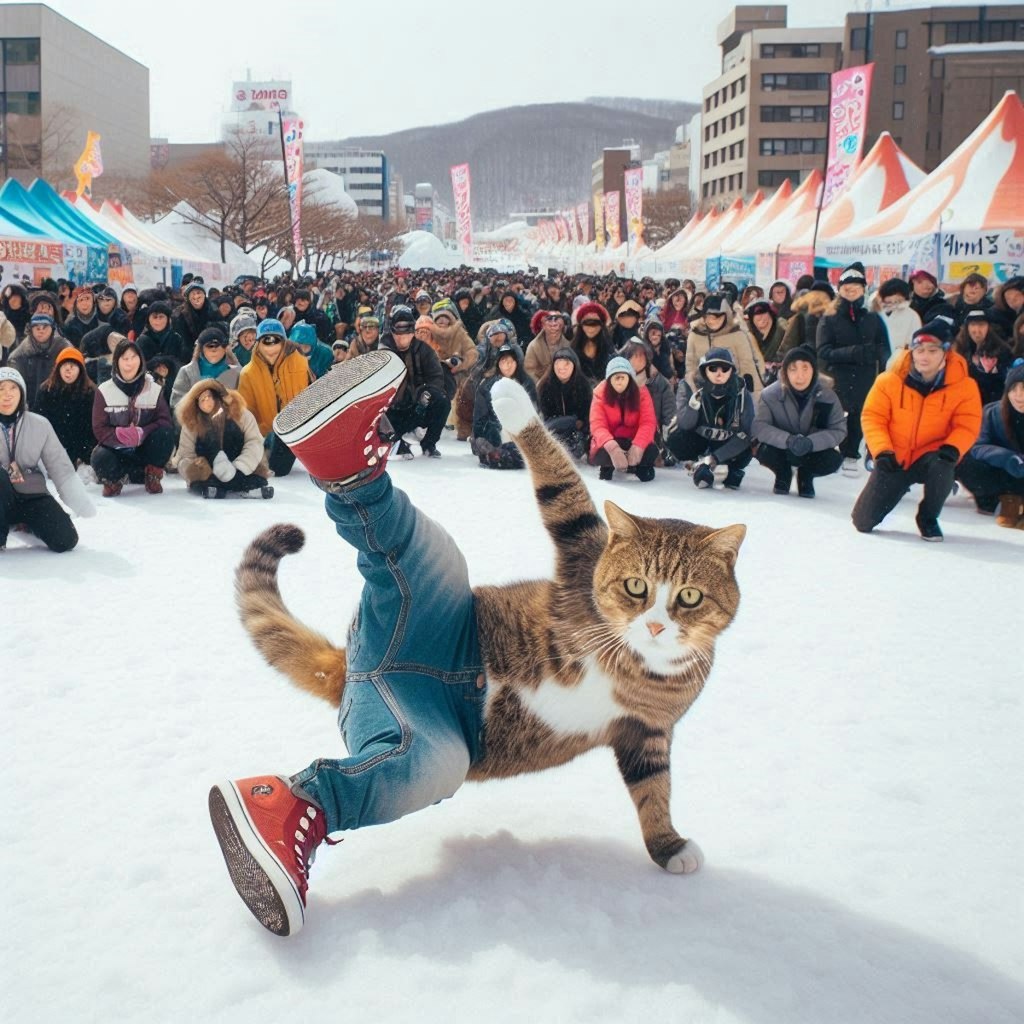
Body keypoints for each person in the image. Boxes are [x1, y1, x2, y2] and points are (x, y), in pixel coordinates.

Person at [852, 319, 983, 541]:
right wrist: (882, 451)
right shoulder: (888, 380)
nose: (924, 356)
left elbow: (967, 423)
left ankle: (928, 517)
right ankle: (896, 486)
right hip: (895, 457)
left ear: (946, 353)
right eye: (919, 350)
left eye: (932, 350)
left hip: (932, 455)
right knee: (862, 522)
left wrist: (953, 448)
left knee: (944, 466)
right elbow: (873, 417)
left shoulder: (964, 386)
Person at [0, 366, 94, 552]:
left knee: (66, 540)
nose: (7, 395)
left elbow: (60, 466)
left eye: (13, 388)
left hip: (31, 494)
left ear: (22, 393)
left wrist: (81, 504)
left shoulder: (39, 424)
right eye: (1, 389)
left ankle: (27, 523)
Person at [816, 262, 891, 473]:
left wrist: (881, 366)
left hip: (865, 376)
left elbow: (884, 347)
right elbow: (823, 350)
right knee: (832, 413)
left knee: (859, 416)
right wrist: (854, 352)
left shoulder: (873, 316)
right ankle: (826, 450)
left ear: (863, 289)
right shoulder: (829, 317)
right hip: (836, 375)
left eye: (855, 288)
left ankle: (850, 453)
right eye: (846, 288)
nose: (851, 292)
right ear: (839, 290)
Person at [752, 346, 846, 497]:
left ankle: (806, 475)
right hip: (781, 448)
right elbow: (760, 426)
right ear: (785, 372)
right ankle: (783, 473)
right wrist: (788, 440)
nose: (799, 376)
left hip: (811, 450)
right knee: (762, 450)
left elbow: (838, 429)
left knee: (833, 459)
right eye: (793, 369)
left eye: (805, 368)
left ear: (814, 371)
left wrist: (811, 442)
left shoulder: (828, 396)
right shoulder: (770, 395)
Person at [90, 337, 175, 497]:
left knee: (165, 435)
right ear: (117, 362)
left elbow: (164, 421)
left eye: (133, 357)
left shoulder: (153, 388)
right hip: (117, 450)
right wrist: (119, 435)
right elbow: (99, 427)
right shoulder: (104, 390)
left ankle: (152, 475)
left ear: (141, 360)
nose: (129, 363)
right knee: (99, 457)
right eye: (125, 358)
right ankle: (114, 480)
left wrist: (142, 432)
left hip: (144, 449)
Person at [668, 347, 754, 490]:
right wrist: (694, 403)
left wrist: (714, 458)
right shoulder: (690, 385)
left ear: (732, 371)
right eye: (713, 368)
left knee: (745, 453)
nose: (719, 374)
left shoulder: (741, 392)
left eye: (725, 368)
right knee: (676, 439)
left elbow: (747, 434)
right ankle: (700, 466)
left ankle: (723, 468)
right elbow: (685, 424)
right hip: (699, 442)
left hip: (726, 444)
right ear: (704, 370)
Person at [236, 318, 312, 477]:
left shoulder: (300, 363)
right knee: (277, 465)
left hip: (298, 435)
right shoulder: (248, 373)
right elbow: (246, 414)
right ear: (258, 344)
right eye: (266, 342)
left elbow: (310, 401)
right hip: (265, 439)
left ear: (283, 343)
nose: (271, 349)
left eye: (276, 342)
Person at [175, 378, 273, 498]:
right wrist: (199, 472)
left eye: (209, 397)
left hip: (240, 465)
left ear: (217, 396)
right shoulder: (192, 422)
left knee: (254, 473)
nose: (206, 402)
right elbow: (186, 454)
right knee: (202, 480)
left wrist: (240, 467)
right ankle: (226, 486)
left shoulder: (240, 414)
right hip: (209, 470)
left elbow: (254, 443)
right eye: (202, 400)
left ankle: (239, 484)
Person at [955, 359, 1024, 524]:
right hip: (1002, 472)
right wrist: (1008, 457)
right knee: (964, 460)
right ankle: (999, 499)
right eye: (1013, 389)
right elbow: (977, 446)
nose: (1019, 396)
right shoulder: (992, 412)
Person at [380, 305, 449, 459]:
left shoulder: (424, 350)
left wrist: (425, 393)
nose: (402, 337)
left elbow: (436, 377)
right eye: (399, 333)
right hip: (390, 410)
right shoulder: (383, 352)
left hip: (417, 405)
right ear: (392, 332)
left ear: (412, 333)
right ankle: (396, 441)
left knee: (442, 401)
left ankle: (429, 444)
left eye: (407, 333)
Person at [588, 356, 658, 482]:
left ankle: (636, 465)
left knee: (651, 452)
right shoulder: (599, 394)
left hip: (633, 439)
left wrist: (638, 446)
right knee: (600, 454)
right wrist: (613, 448)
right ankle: (609, 466)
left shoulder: (641, 392)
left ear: (630, 378)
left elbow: (648, 422)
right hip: (612, 440)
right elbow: (597, 425)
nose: (619, 381)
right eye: (616, 377)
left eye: (623, 377)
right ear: (609, 380)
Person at [471, 340, 537, 469]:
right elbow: (480, 417)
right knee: (486, 442)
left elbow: (533, 413)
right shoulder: (487, 385)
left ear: (517, 363)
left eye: (511, 361)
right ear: (498, 364)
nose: (507, 366)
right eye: (503, 362)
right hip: (493, 430)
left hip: (519, 431)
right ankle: (495, 454)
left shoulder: (527, 383)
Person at [684, 293, 765, 397]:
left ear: (726, 315)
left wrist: (753, 399)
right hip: (704, 393)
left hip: (733, 393)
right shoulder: (695, 335)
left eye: (718, 317)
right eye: (710, 317)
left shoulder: (737, 335)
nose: (713, 321)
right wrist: (693, 391)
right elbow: (690, 366)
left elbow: (748, 368)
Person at [32, 347, 97, 467]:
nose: (68, 371)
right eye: (64, 366)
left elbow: (93, 427)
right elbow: (38, 424)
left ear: (80, 370)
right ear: (58, 369)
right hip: (54, 447)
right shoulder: (46, 390)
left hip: (83, 448)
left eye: (72, 366)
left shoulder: (91, 392)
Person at [620, 338, 676, 466]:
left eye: (642, 355)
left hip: (651, 436)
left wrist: (667, 441)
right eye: (634, 356)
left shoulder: (659, 383)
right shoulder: (617, 380)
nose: (638, 359)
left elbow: (670, 415)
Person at [536, 347, 592, 461]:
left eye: (566, 364)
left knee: (576, 448)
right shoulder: (545, 386)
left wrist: (581, 425)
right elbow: (547, 416)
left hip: (577, 431)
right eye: (558, 364)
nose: (562, 368)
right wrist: (571, 421)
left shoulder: (583, 386)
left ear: (574, 365)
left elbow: (586, 415)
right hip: (555, 427)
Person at [170, 326, 242, 409]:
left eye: (218, 346)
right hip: (194, 420)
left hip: (229, 419)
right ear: (201, 349)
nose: (213, 350)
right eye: (209, 346)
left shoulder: (238, 374)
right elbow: (176, 404)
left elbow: (244, 405)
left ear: (225, 349)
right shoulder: (187, 372)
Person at [954, 309, 1011, 406]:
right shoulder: (959, 350)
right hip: (965, 402)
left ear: (989, 327)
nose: (977, 330)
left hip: (992, 405)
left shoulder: (1002, 351)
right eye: (972, 325)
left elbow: (1007, 381)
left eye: (981, 325)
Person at [8, 313, 70, 401]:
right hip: (30, 404)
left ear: (52, 329)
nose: (41, 331)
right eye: (37, 328)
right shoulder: (18, 356)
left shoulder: (65, 350)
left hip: (60, 402)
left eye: (45, 327)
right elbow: (15, 386)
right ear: (31, 330)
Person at [874, 278, 921, 366]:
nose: (894, 302)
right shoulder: (877, 312)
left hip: (900, 362)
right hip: (877, 361)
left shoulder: (912, 315)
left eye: (899, 299)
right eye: (891, 296)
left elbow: (916, 342)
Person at [743, 298, 786, 385]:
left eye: (764, 313)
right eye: (757, 315)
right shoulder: (748, 335)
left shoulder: (782, 329)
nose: (761, 318)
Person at [570, 302, 614, 384]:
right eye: (587, 323)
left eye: (596, 323)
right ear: (581, 325)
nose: (591, 327)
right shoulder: (572, 351)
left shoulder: (610, 352)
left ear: (601, 326)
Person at [524, 309, 571, 384]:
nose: (553, 327)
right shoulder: (533, 346)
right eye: (550, 324)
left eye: (556, 324)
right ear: (543, 326)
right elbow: (529, 371)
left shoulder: (569, 346)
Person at [173, 281, 213, 352]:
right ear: (188, 298)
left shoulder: (213, 310)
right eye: (193, 294)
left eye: (198, 293)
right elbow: (181, 340)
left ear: (204, 295)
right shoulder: (179, 315)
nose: (196, 296)